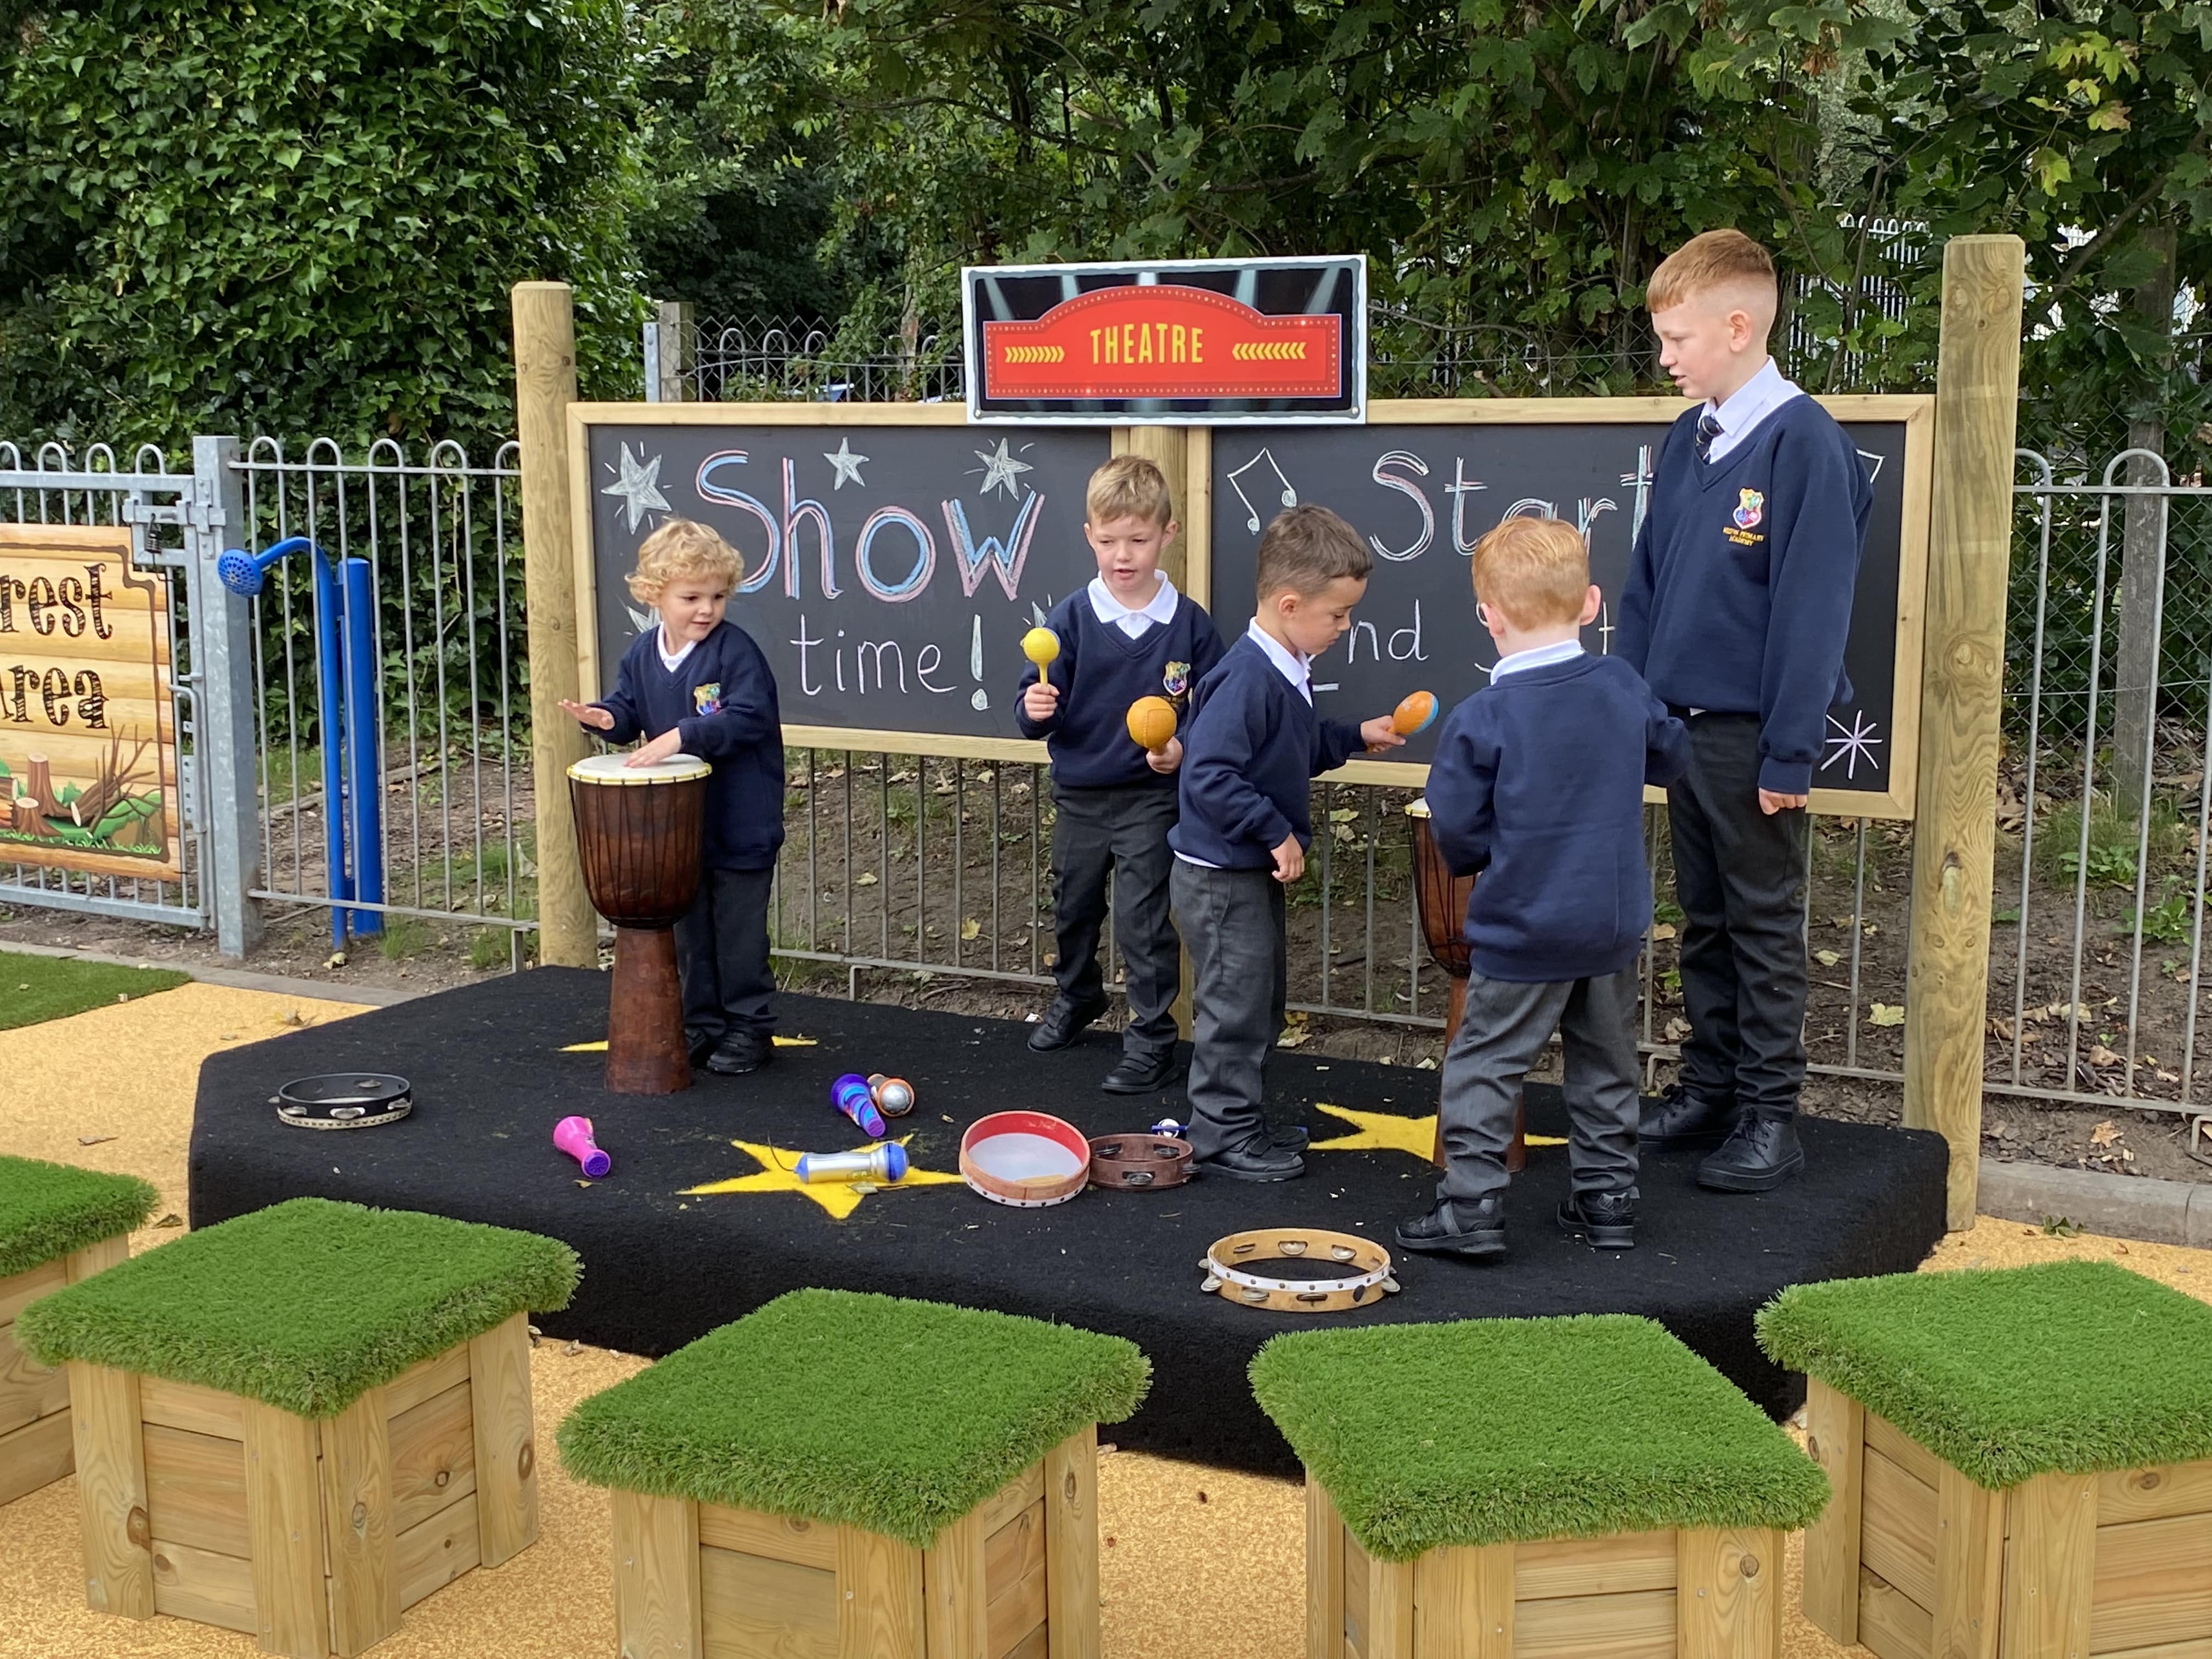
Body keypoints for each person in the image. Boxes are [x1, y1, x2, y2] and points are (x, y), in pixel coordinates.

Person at [1618, 228, 1872, 1190]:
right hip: (1682, 730)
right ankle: (1710, 1086)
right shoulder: (1689, 438)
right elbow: (1645, 584)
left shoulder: (1804, 441)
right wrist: (1639, 712)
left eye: (1678, 338)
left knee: (1763, 923)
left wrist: (1787, 753)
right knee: (1706, 919)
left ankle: (1771, 1112)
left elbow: (1812, 610)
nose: (1666, 356)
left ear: (1737, 325)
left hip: (1748, 735)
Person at [1397, 517, 1688, 1258]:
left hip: (1525, 925)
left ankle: (1472, 1207)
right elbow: (1670, 755)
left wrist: (1496, 857)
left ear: (1487, 615)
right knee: (1606, 1060)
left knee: (1486, 1061)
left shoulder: (1484, 717)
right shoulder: (1621, 685)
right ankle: (1609, 1199)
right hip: (1611, 923)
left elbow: (1454, 827)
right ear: (1591, 604)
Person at [1169, 504, 1404, 1181]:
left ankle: (1237, 1117)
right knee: (1234, 1004)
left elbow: (1289, 750)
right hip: (1220, 877)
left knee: (1258, 999)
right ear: (1290, 602)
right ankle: (1221, 1134)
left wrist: (1355, 736)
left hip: (1240, 872)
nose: (1346, 626)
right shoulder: (1248, 678)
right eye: (1338, 615)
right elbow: (1208, 774)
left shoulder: (1284, 665)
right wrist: (1274, 830)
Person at [1017, 456, 1224, 1093]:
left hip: (1151, 800)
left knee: (1143, 921)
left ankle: (1153, 1037)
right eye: (1108, 541)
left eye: (1137, 539)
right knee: (1072, 909)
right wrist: (1033, 708)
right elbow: (1035, 707)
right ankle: (1078, 996)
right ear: (1089, 537)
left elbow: (1212, 712)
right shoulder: (1070, 620)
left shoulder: (1190, 626)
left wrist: (1181, 751)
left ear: (1169, 532)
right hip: (1080, 795)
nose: (1122, 555)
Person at [560, 518, 785, 1076]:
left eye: (717, 596)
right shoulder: (643, 654)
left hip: (741, 824)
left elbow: (749, 717)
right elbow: (628, 708)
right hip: (679, 831)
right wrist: (605, 717)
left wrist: (685, 733)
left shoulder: (737, 653)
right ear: (653, 594)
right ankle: (701, 1025)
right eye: (691, 597)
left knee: (738, 938)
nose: (706, 609)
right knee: (691, 937)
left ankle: (749, 1028)